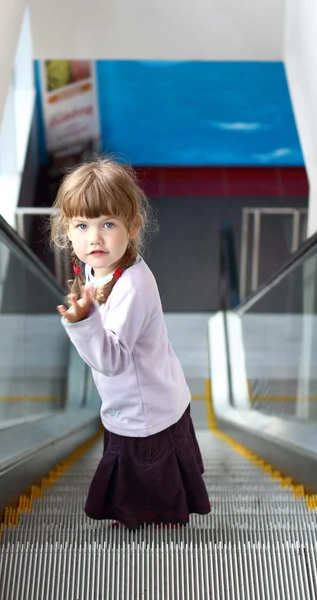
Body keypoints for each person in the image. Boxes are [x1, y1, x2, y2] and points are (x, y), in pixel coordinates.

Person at [51, 157, 211, 529]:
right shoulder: (99, 268)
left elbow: (112, 360)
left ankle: (157, 530)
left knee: (150, 491)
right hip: (140, 401)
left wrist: (82, 323)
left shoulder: (132, 287)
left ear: (133, 226)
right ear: (67, 232)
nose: (95, 237)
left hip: (146, 413)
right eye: (82, 225)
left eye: (108, 224)